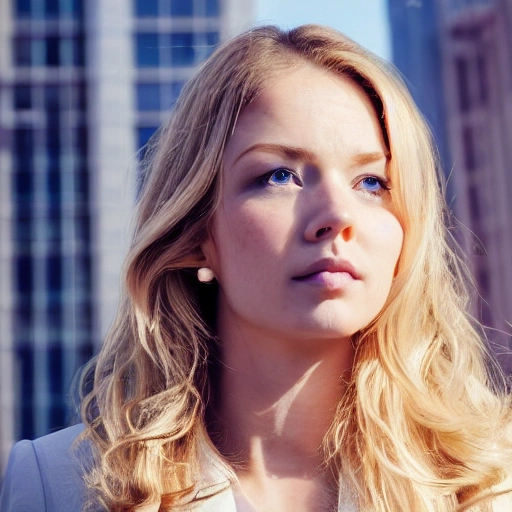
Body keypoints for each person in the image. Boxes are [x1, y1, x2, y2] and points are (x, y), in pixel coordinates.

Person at [1, 24, 512, 512]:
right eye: (279, 175)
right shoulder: (50, 486)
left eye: (371, 182)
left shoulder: (490, 483)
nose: (337, 215)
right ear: (198, 231)